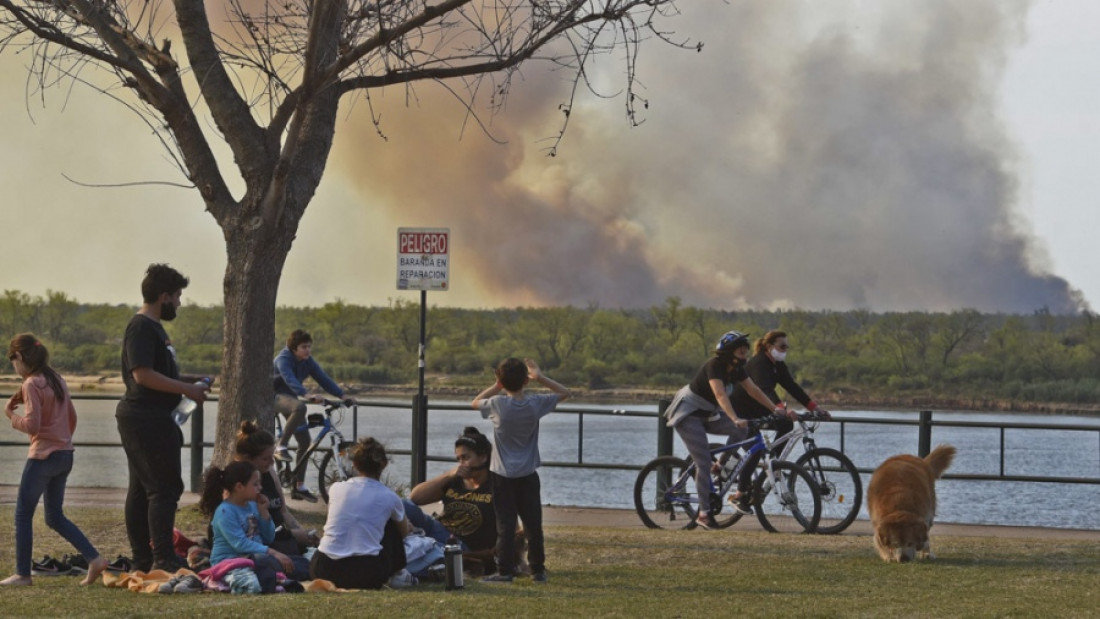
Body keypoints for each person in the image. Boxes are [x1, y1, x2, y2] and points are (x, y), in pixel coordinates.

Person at [116, 263, 212, 572]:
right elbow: (142, 375)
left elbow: (159, 373)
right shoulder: (141, 327)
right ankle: (161, 558)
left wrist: (191, 381)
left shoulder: (154, 328)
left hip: (152, 415)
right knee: (165, 488)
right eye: (178, 296)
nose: (180, 303)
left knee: (143, 489)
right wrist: (187, 388)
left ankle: (143, 560)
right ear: (163, 296)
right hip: (145, 417)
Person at [2, 334, 109, 587]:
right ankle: (94, 558)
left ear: (19, 357)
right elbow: (71, 418)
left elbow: (32, 425)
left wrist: (9, 414)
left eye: (12, 361)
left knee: (22, 514)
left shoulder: (31, 384)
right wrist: (62, 440)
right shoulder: (57, 380)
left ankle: (22, 574)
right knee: (54, 516)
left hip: (43, 456)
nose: (14, 368)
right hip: (64, 454)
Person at [662, 331, 789, 529]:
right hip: (688, 414)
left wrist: (776, 409)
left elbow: (753, 390)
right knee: (703, 463)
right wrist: (734, 418)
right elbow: (720, 394)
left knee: (741, 431)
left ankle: (721, 466)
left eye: (746, 350)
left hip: (708, 413)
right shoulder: (714, 366)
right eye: (740, 351)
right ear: (729, 351)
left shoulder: (738, 369)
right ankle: (703, 514)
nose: (745, 354)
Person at [472, 358, 571, 584]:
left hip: (501, 475)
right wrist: (541, 377)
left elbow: (475, 402)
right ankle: (538, 570)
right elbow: (564, 392)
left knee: (505, 525)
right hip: (527, 474)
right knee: (532, 524)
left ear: (501, 380)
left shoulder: (497, 404)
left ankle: (505, 571)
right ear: (526, 380)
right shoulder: (535, 404)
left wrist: (497, 386)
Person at [729, 330, 830, 512]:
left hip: (759, 410)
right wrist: (781, 409)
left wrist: (815, 408)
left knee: (785, 424)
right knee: (754, 452)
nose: (785, 350)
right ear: (769, 347)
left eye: (786, 347)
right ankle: (739, 495)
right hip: (741, 411)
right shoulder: (759, 363)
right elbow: (765, 389)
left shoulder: (778, 365)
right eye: (782, 346)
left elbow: (792, 387)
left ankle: (773, 461)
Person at [309, 437, 410, 590]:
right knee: (391, 523)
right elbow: (404, 532)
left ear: (355, 464)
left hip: (323, 568)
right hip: (366, 573)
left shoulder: (336, 488)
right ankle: (399, 574)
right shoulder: (390, 497)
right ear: (384, 464)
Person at [198, 461, 309, 593]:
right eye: (255, 484)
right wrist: (273, 553)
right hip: (232, 562)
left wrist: (264, 513)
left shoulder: (252, 506)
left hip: (255, 558)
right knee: (264, 573)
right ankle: (268, 578)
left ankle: (273, 577)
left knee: (303, 564)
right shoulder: (225, 512)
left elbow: (268, 538)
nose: (260, 488)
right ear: (239, 487)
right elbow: (240, 544)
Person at [403, 427, 503, 572]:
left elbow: (511, 526)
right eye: (458, 459)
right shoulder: (455, 480)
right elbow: (415, 498)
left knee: (429, 550)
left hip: (465, 546)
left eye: (466, 458)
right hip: (440, 531)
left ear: (483, 457)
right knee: (403, 505)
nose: (461, 464)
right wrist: (449, 475)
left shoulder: (496, 485)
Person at [272, 329, 353, 503]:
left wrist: (342, 396)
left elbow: (323, 379)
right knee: (300, 407)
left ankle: (298, 486)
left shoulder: (308, 361)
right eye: (304, 347)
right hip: (273, 396)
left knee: (304, 441)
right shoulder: (283, 359)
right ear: (293, 348)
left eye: (309, 347)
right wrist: (306, 394)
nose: (308, 350)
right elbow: (288, 379)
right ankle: (281, 446)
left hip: (290, 398)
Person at [232, 420, 319, 555]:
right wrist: (294, 535)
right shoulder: (238, 485)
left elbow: (283, 512)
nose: (272, 463)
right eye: (265, 459)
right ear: (247, 459)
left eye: (272, 457)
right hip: (262, 546)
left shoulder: (269, 471)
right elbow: (251, 533)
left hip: (283, 538)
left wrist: (304, 533)